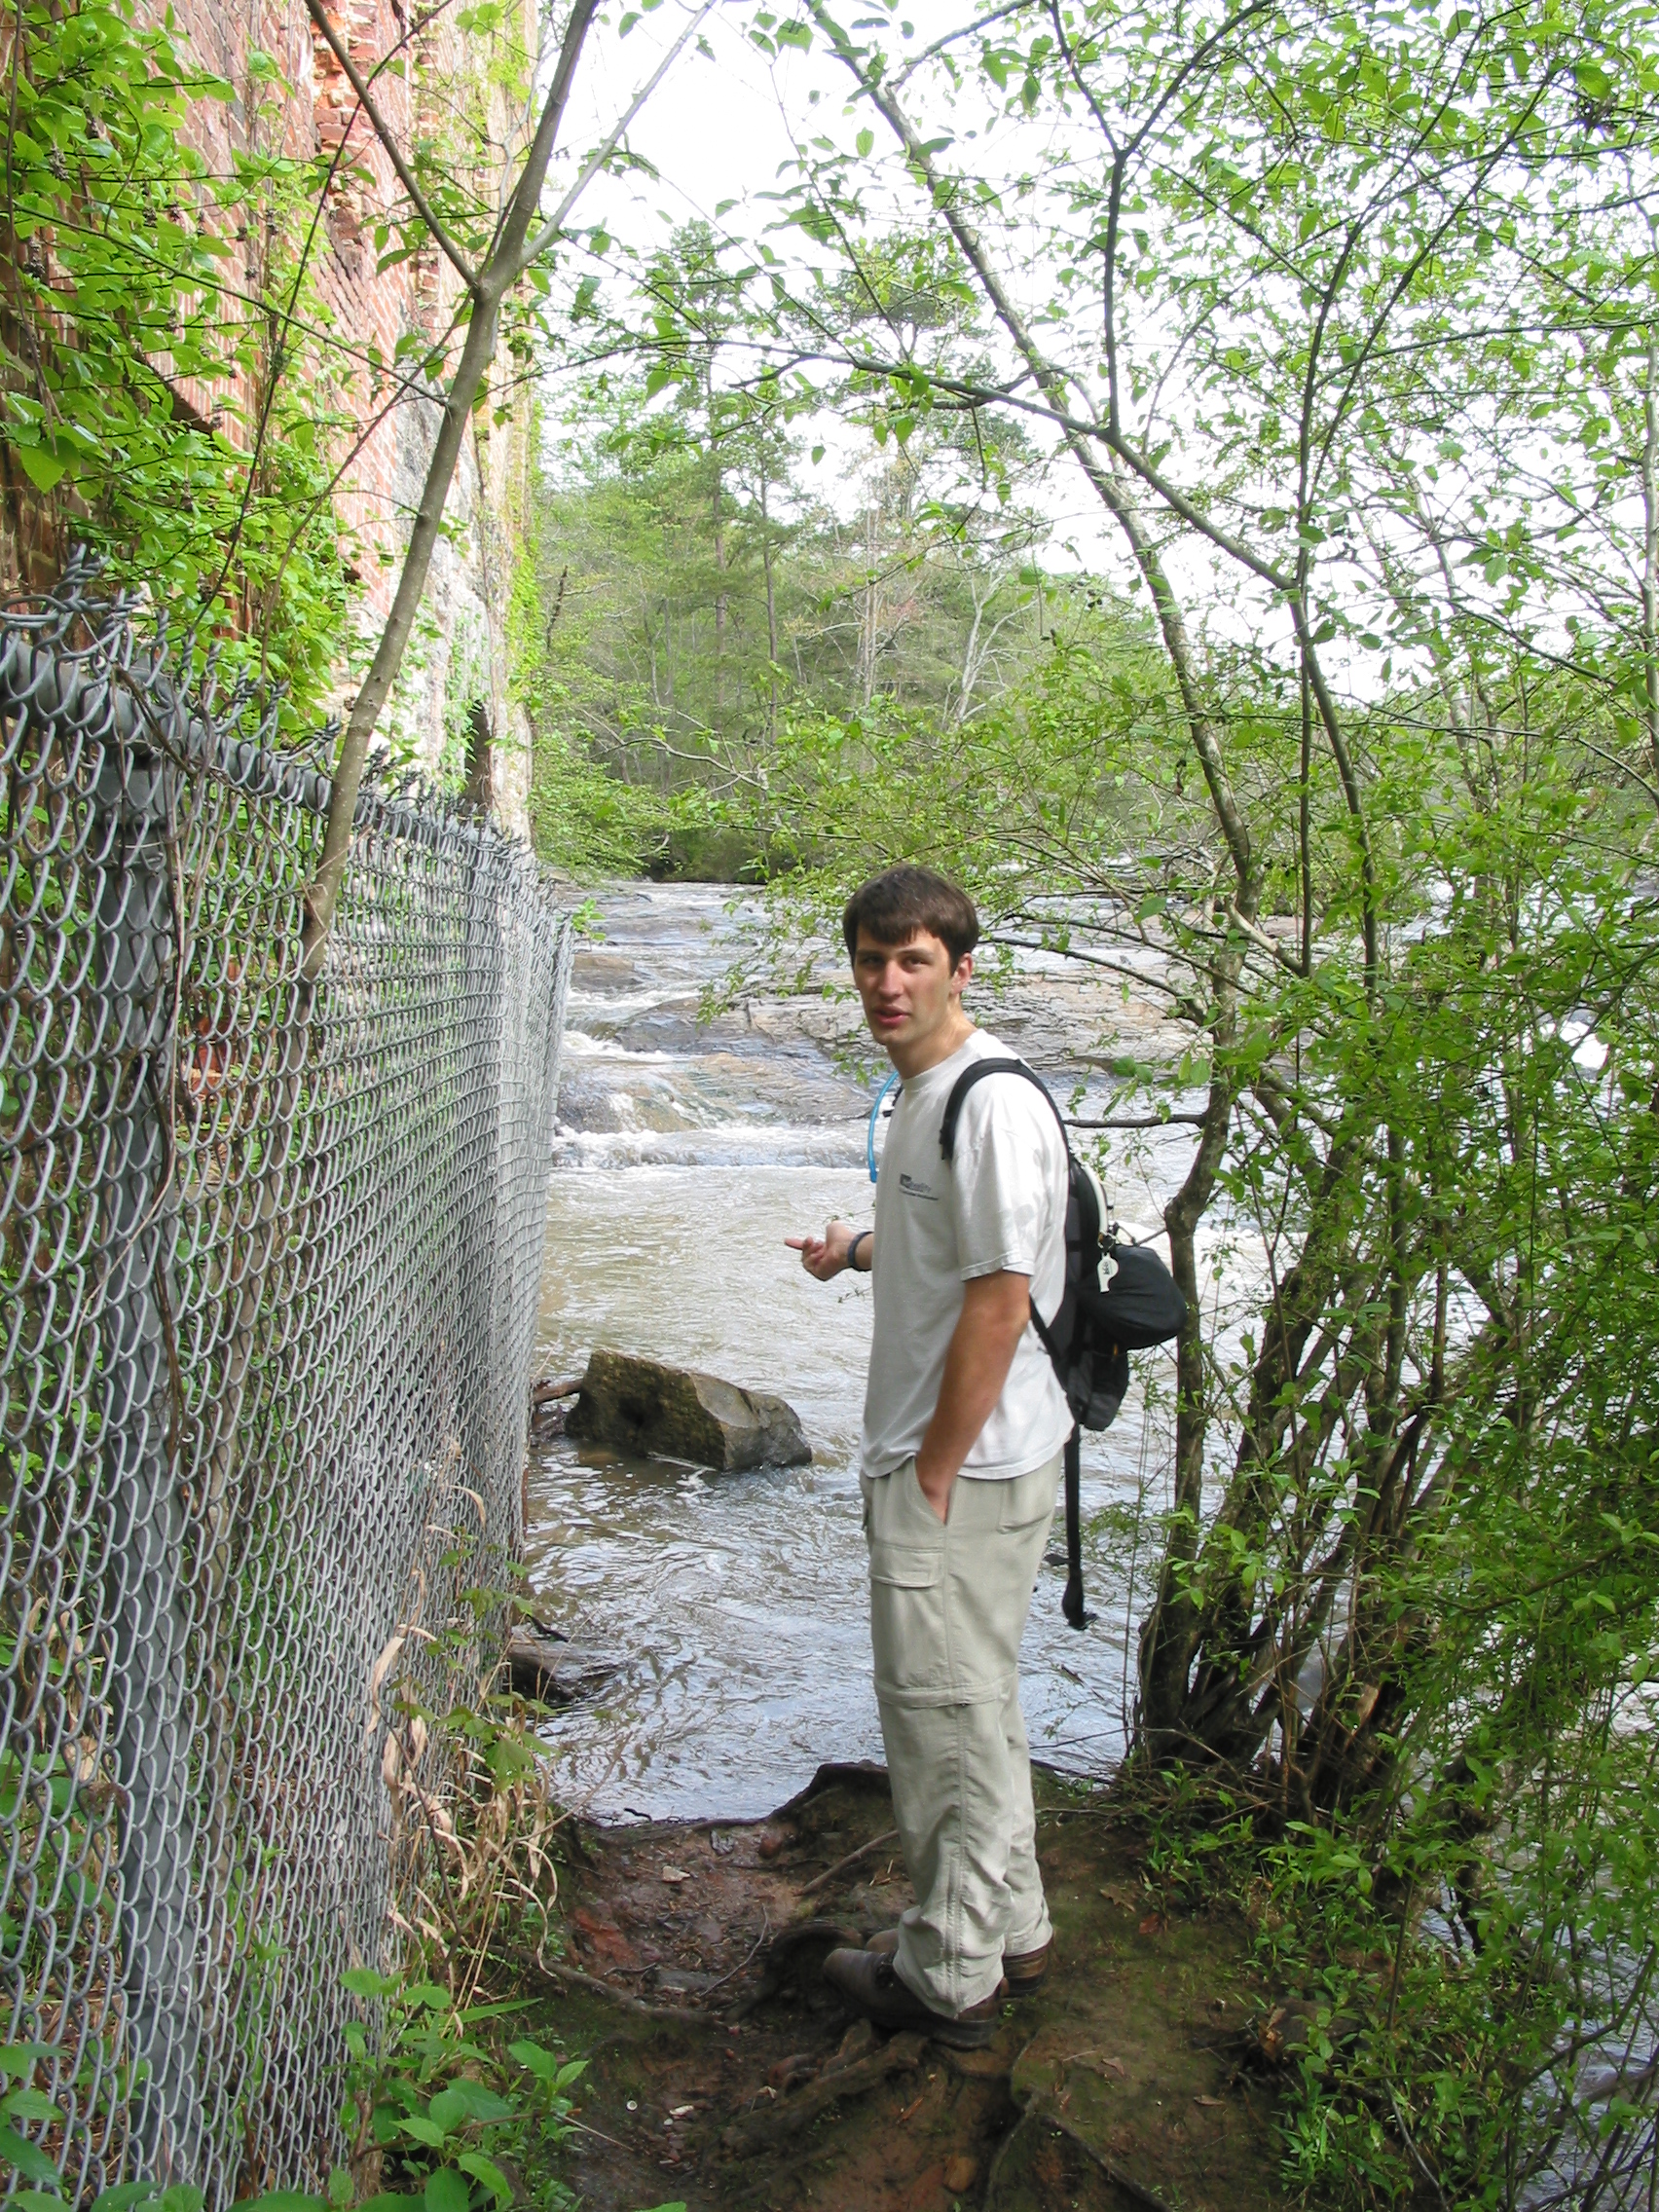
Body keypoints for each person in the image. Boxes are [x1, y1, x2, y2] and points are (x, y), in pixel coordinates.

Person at [785, 864, 1071, 2048]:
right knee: (976, 1700)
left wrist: (938, 1465)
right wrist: (857, 1249)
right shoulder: (923, 1090)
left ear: (961, 964)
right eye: (870, 958)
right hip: (960, 1458)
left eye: (913, 960)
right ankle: (1013, 1925)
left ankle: (949, 1977)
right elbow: (946, 1246)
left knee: (934, 1713)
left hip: (965, 1466)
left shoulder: (986, 1100)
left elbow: (1001, 1300)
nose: (887, 982)